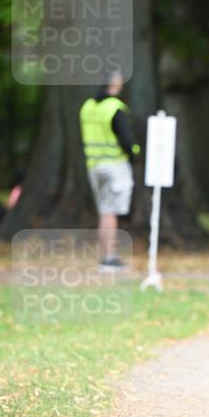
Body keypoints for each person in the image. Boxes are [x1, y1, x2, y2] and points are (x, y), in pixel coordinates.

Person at [79, 72, 139, 269]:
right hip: (114, 165)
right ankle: (109, 258)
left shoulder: (87, 107)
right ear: (116, 84)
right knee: (110, 212)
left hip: (94, 166)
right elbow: (127, 141)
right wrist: (135, 153)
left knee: (104, 211)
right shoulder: (115, 108)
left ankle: (107, 256)